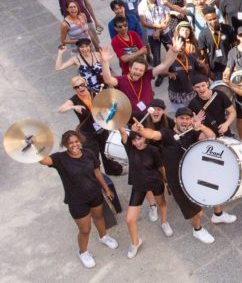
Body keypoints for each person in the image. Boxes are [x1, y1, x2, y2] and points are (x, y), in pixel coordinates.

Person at [131, 107, 235, 245]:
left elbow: (211, 137)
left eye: (187, 118)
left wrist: (202, 126)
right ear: (175, 119)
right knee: (198, 212)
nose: (184, 121)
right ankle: (197, 230)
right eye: (181, 118)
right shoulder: (167, 134)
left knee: (214, 191)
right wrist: (141, 131)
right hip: (178, 181)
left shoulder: (192, 133)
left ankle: (218, 215)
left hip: (195, 173)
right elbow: (152, 134)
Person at [39, 130, 118, 268]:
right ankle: (83, 252)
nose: (74, 145)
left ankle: (103, 237)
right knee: (85, 230)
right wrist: (35, 146)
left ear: (80, 141)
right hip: (76, 201)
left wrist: (106, 188)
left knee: (99, 217)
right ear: (65, 144)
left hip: (94, 194)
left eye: (76, 141)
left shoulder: (88, 153)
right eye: (70, 143)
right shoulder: (60, 158)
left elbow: (97, 171)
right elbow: (44, 161)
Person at [120, 129, 172, 259]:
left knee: (161, 203)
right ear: (131, 142)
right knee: (129, 219)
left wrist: (167, 182)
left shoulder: (153, 150)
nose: (137, 142)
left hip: (155, 182)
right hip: (139, 186)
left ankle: (164, 222)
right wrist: (116, 116)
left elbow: (161, 168)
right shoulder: (130, 149)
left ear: (144, 138)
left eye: (140, 138)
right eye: (134, 140)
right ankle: (135, 242)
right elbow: (121, 130)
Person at [57, 75, 122, 175]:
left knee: (106, 151)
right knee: (92, 156)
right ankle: (96, 175)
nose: (80, 88)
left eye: (82, 85)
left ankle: (111, 169)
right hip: (87, 133)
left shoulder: (94, 92)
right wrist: (73, 107)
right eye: (76, 87)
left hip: (102, 128)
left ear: (85, 84)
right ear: (74, 89)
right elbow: (60, 109)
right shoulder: (74, 100)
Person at [100, 37, 182, 113]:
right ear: (130, 68)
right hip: (134, 119)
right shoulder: (121, 80)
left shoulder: (147, 75)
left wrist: (175, 52)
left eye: (141, 70)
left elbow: (164, 65)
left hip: (151, 114)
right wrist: (104, 63)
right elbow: (108, 80)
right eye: (135, 69)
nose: (138, 72)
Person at [137, 0, 171, 85]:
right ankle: (160, 75)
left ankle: (174, 70)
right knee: (156, 57)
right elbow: (144, 23)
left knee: (172, 52)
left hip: (165, 32)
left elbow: (167, 18)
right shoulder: (141, 6)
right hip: (152, 36)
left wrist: (158, 30)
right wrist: (158, 28)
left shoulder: (161, 0)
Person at [166, 22, 202, 114]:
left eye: (183, 45)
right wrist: (169, 73)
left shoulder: (191, 58)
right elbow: (161, 71)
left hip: (191, 93)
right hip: (176, 95)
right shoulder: (169, 58)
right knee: (179, 116)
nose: (180, 48)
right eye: (178, 46)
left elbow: (200, 70)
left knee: (191, 115)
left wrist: (202, 65)